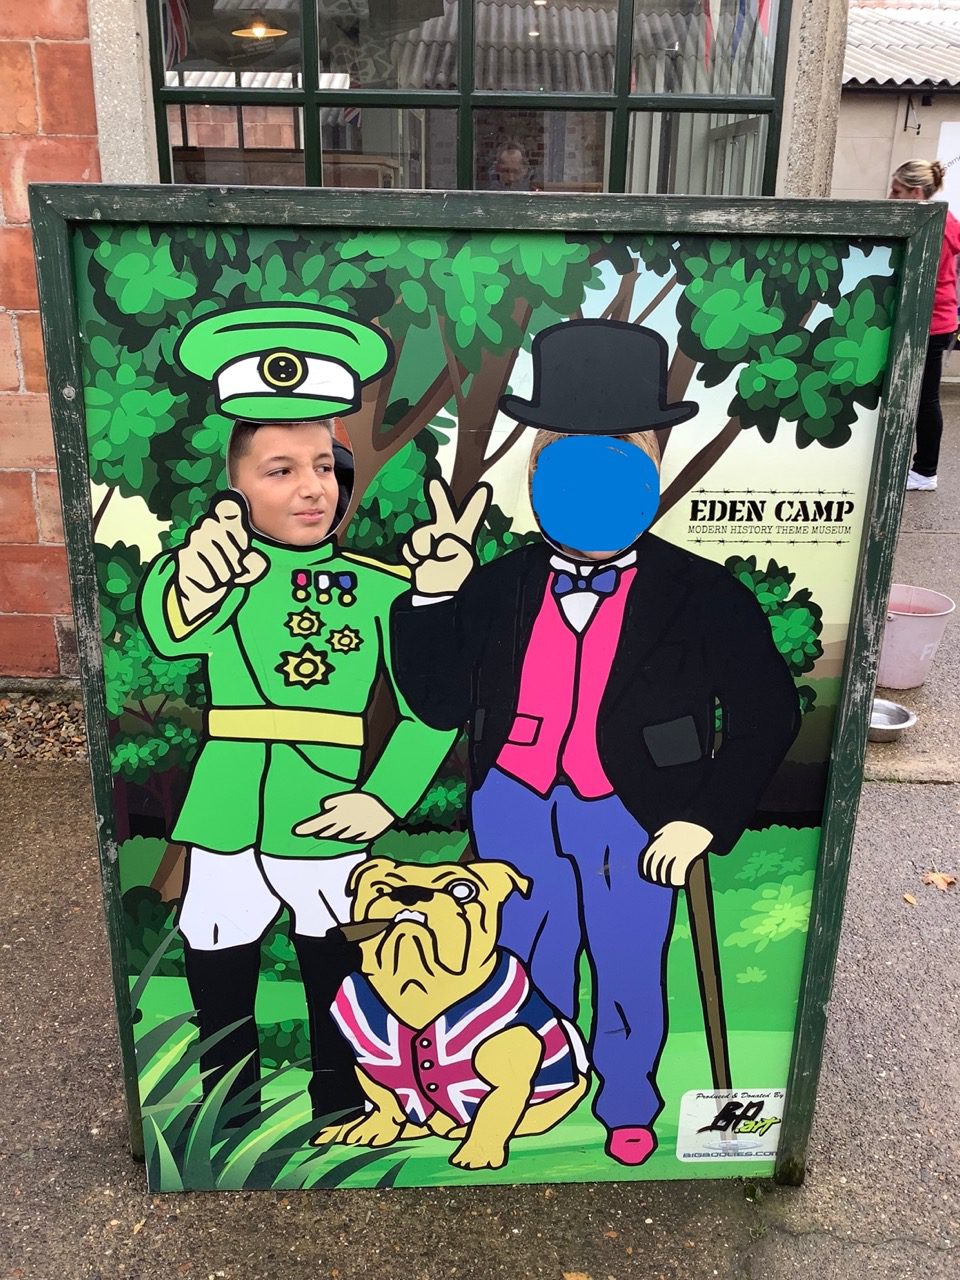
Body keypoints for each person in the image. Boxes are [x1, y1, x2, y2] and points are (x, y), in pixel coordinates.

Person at [390, 319, 801, 1167]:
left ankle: (626, 1102)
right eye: (568, 462)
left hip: (634, 810)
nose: (592, 484)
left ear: (650, 467)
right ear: (538, 471)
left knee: (626, 959)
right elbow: (436, 703)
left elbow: (766, 713)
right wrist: (433, 599)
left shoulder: (702, 593)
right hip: (513, 801)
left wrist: (703, 817)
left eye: (618, 460)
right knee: (522, 961)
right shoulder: (499, 584)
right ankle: (535, 1091)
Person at [139, 310, 455, 1129]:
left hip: (324, 810)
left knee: (335, 964)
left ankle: (340, 1101)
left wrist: (383, 799)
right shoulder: (217, 569)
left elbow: (435, 709)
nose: (314, 488)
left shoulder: (382, 589)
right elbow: (174, 622)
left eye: (324, 465)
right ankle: (228, 1109)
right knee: (218, 956)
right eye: (280, 470)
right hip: (226, 805)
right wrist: (198, 578)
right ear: (236, 487)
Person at [889, 159, 960, 491]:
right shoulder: (941, 221)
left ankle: (925, 471)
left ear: (916, 192)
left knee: (925, 400)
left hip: (931, 325)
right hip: (930, 322)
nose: (891, 197)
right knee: (919, 398)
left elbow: (923, 279)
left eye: (897, 191)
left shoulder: (936, 228)